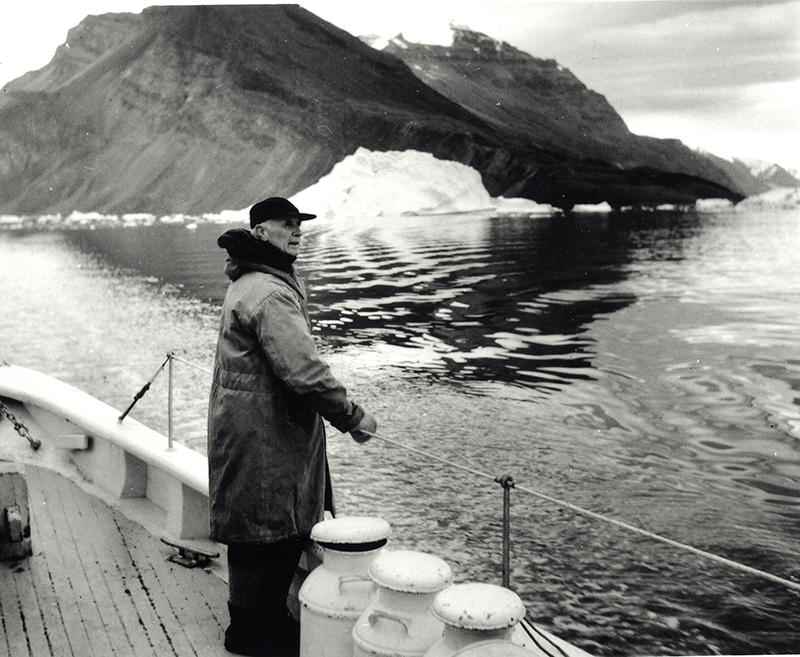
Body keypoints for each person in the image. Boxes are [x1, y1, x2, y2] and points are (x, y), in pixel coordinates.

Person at [208, 197, 377, 657]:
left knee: (255, 529)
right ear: (261, 232)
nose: (297, 231)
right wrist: (353, 416)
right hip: (268, 431)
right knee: (277, 526)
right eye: (287, 224)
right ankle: (259, 632)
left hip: (249, 423)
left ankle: (249, 626)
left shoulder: (250, 279)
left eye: (299, 224)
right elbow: (305, 373)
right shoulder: (270, 292)